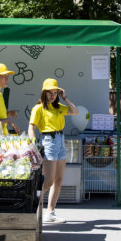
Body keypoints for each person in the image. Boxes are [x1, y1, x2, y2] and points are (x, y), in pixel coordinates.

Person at [28, 78, 78, 224]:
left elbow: (75, 112)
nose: (52, 95)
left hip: (61, 140)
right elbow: (32, 127)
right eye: (49, 92)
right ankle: (30, 201)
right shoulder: (38, 108)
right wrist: (33, 144)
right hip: (48, 141)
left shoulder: (59, 107)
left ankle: (50, 212)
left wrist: (65, 97)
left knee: (59, 179)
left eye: (55, 92)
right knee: (48, 180)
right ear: (44, 93)